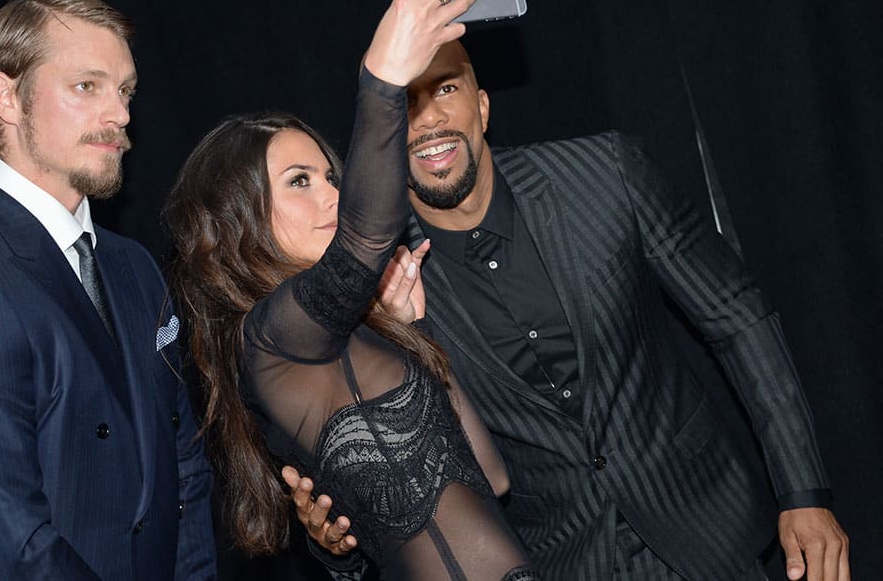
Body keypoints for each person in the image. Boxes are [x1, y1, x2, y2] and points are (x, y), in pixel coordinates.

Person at [289, 40, 851, 581]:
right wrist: (340, 550)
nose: (429, 120)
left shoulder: (605, 174)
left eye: (445, 89)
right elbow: (394, 478)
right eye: (405, 104)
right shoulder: (374, 288)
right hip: (557, 560)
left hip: (705, 527)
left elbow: (737, 317)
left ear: (481, 107)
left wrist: (802, 492)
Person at [165, 0, 538, 580]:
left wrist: (412, 337)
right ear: (239, 220)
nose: (331, 195)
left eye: (331, 177)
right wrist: (381, 78)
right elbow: (369, 232)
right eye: (300, 182)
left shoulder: (350, 334)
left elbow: (492, 478)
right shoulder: (268, 336)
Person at [0, 0, 217, 579]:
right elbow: (10, 550)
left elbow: (183, 473)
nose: (119, 114)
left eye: (125, 91)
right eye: (87, 87)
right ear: (6, 96)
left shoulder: (133, 266)